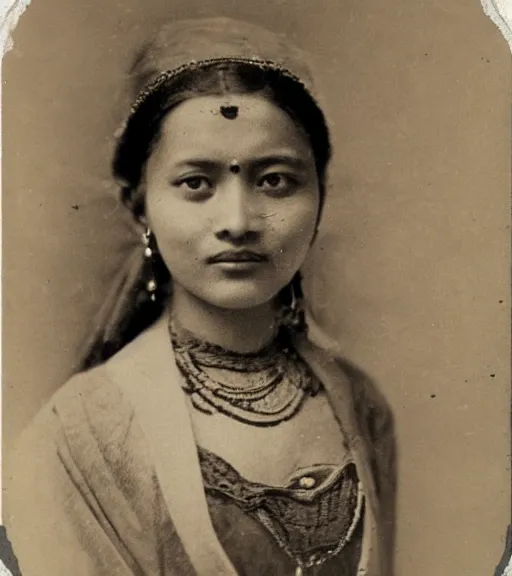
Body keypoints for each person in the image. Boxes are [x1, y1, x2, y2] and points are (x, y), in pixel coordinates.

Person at [4, 17, 396, 576]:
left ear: (320, 197)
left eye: (276, 180)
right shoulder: (79, 436)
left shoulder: (358, 404)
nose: (237, 222)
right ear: (140, 205)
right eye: (196, 183)